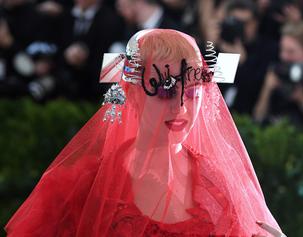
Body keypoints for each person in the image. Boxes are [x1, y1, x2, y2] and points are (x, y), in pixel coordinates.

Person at [5, 29, 285, 236]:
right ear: (134, 96)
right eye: (164, 91)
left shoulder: (221, 187)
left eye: (191, 93)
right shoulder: (81, 187)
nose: (180, 108)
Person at [254, 21, 303, 125]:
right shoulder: (278, 72)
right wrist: (267, 89)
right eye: (282, 50)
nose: (284, 57)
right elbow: (257, 118)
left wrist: (302, 100)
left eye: (291, 52)